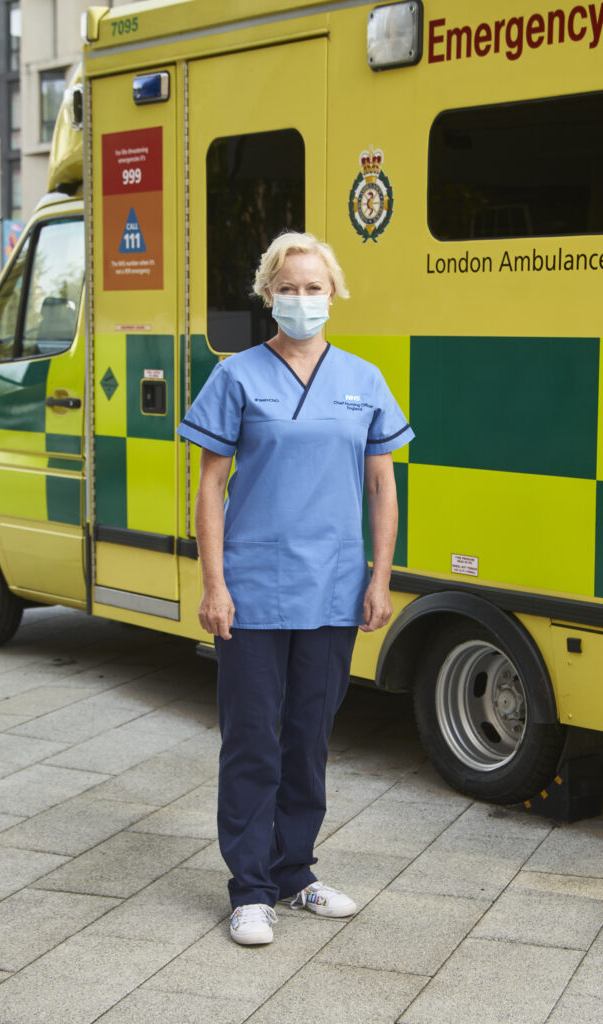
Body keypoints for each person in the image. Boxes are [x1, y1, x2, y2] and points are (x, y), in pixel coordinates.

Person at [177, 231, 413, 946]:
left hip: (333, 589)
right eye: (289, 286)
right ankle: (250, 888)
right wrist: (213, 583)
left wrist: (380, 577)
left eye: (314, 287)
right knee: (252, 739)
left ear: (333, 294)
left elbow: (382, 488)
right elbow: (210, 490)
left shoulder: (365, 380)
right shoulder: (237, 376)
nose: (302, 299)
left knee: (308, 739)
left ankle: (295, 873)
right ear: (268, 293)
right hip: (251, 589)